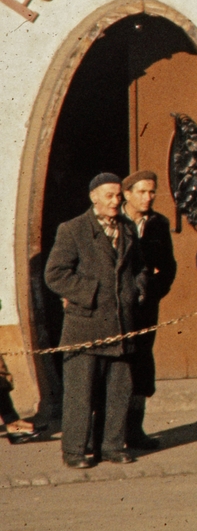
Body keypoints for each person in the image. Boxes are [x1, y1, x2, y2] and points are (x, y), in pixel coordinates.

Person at [44, 173, 149, 468]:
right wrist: (91, 293)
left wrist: (135, 290)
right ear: (94, 197)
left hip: (121, 324)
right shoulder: (73, 229)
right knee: (81, 393)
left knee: (118, 390)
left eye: (118, 196)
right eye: (109, 196)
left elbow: (140, 267)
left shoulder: (127, 228)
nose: (115, 201)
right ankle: (75, 451)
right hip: (85, 325)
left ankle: (112, 446)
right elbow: (55, 274)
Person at [121, 170, 175, 450]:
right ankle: (109, 431)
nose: (148, 197)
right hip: (115, 309)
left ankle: (134, 429)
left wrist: (152, 293)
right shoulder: (114, 220)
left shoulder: (159, 224)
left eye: (152, 192)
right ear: (127, 193)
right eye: (142, 192)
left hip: (144, 309)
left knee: (141, 365)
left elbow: (168, 267)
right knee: (117, 366)